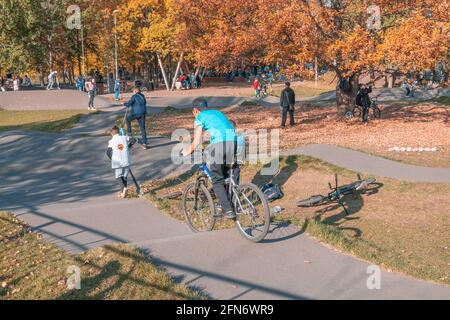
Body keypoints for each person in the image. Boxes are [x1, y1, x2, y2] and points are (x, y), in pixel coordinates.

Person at [182, 98, 238, 220]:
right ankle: (233, 200)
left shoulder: (199, 118)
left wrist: (187, 151)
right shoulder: (218, 113)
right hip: (233, 141)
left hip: (219, 146)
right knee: (231, 172)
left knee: (216, 179)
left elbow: (196, 141)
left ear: (195, 110)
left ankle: (228, 210)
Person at [107, 126, 132, 199]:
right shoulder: (124, 137)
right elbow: (133, 140)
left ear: (112, 133)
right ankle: (123, 192)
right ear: (118, 132)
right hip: (126, 159)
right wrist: (128, 147)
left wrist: (112, 158)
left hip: (117, 161)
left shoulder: (111, 141)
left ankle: (124, 188)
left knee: (118, 176)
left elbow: (108, 152)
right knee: (124, 176)